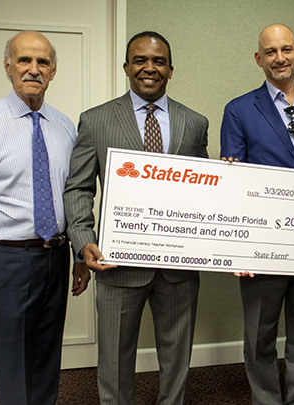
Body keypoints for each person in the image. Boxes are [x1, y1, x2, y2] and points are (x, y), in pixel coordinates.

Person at [63, 31, 209, 404]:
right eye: (140, 60)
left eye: (158, 61)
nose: (149, 68)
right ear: (127, 67)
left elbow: (205, 191)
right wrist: (83, 242)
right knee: (113, 359)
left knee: (177, 359)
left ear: (171, 70)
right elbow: (78, 188)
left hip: (178, 265)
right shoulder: (95, 121)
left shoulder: (194, 123)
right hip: (117, 263)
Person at [0, 31, 91, 404]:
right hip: (6, 259)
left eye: (42, 62)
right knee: (12, 361)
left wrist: (77, 254)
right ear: (7, 66)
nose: (33, 69)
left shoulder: (65, 127)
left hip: (55, 257)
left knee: (46, 355)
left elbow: (71, 196)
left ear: (53, 71)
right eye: (24, 60)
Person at [220, 24, 294, 405]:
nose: (279, 58)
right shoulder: (239, 109)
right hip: (261, 245)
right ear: (259, 59)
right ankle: (267, 401)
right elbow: (232, 180)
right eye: (270, 52)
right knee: (260, 335)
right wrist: (238, 246)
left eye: (286, 49)